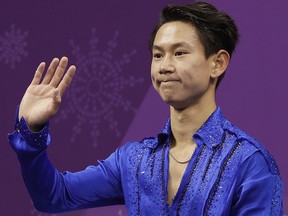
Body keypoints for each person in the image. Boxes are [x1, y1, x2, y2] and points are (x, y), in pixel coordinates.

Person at [8, 2, 283, 215]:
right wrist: (32, 131)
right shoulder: (134, 160)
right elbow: (54, 196)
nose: (164, 66)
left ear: (218, 63)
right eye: (157, 55)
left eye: (180, 53)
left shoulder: (250, 163)